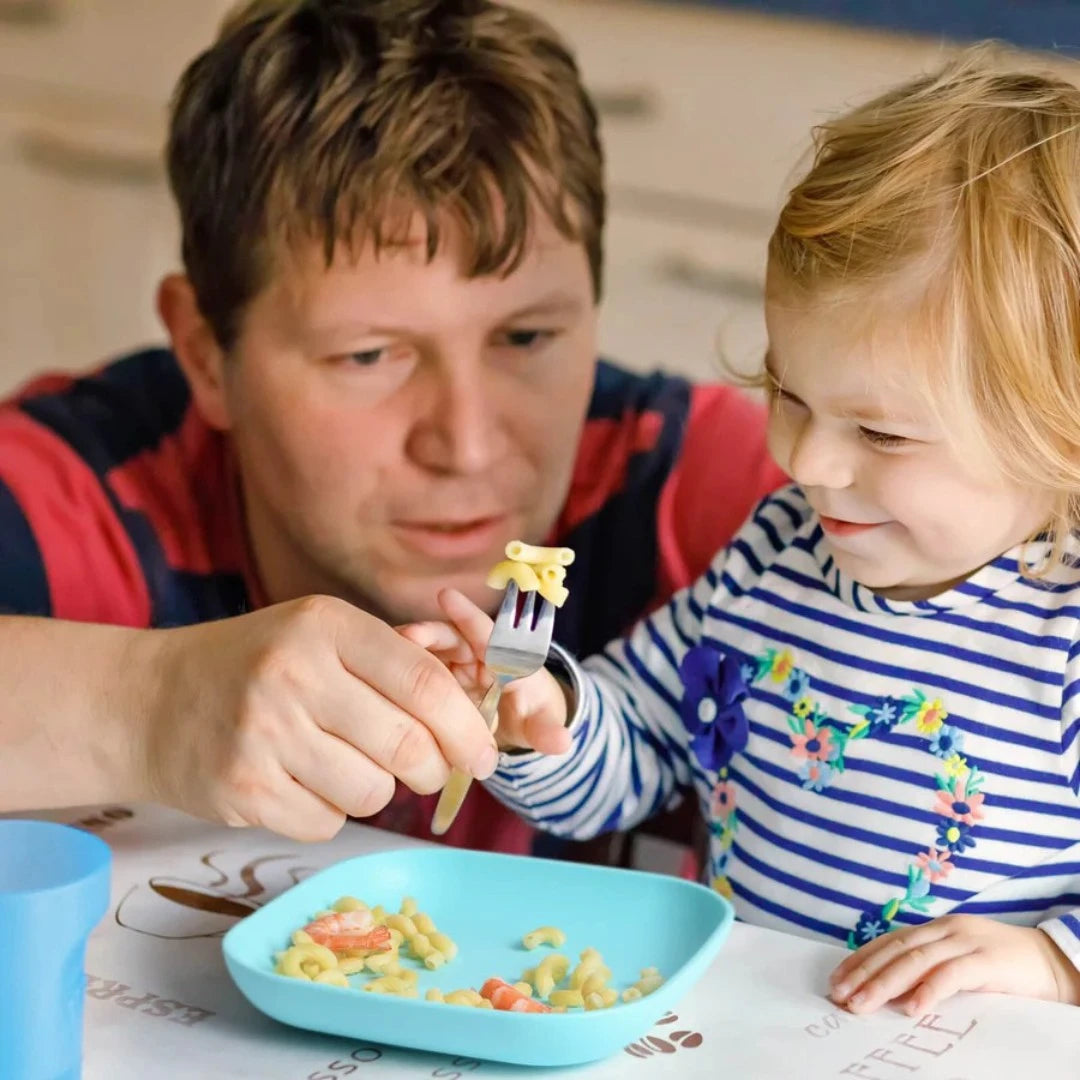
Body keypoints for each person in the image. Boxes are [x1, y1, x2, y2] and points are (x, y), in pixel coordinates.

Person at [0, 0, 781, 854]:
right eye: (370, 356)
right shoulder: (78, 493)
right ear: (202, 352)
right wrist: (144, 709)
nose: (468, 444)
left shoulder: (716, 499)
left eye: (526, 338)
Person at [403, 47, 1080, 1013]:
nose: (806, 463)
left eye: (881, 431)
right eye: (788, 395)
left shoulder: (1065, 642)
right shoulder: (776, 557)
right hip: (741, 1035)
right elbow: (636, 745)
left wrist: (1052, 963)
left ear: (1060, 431)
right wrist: (544, 719)